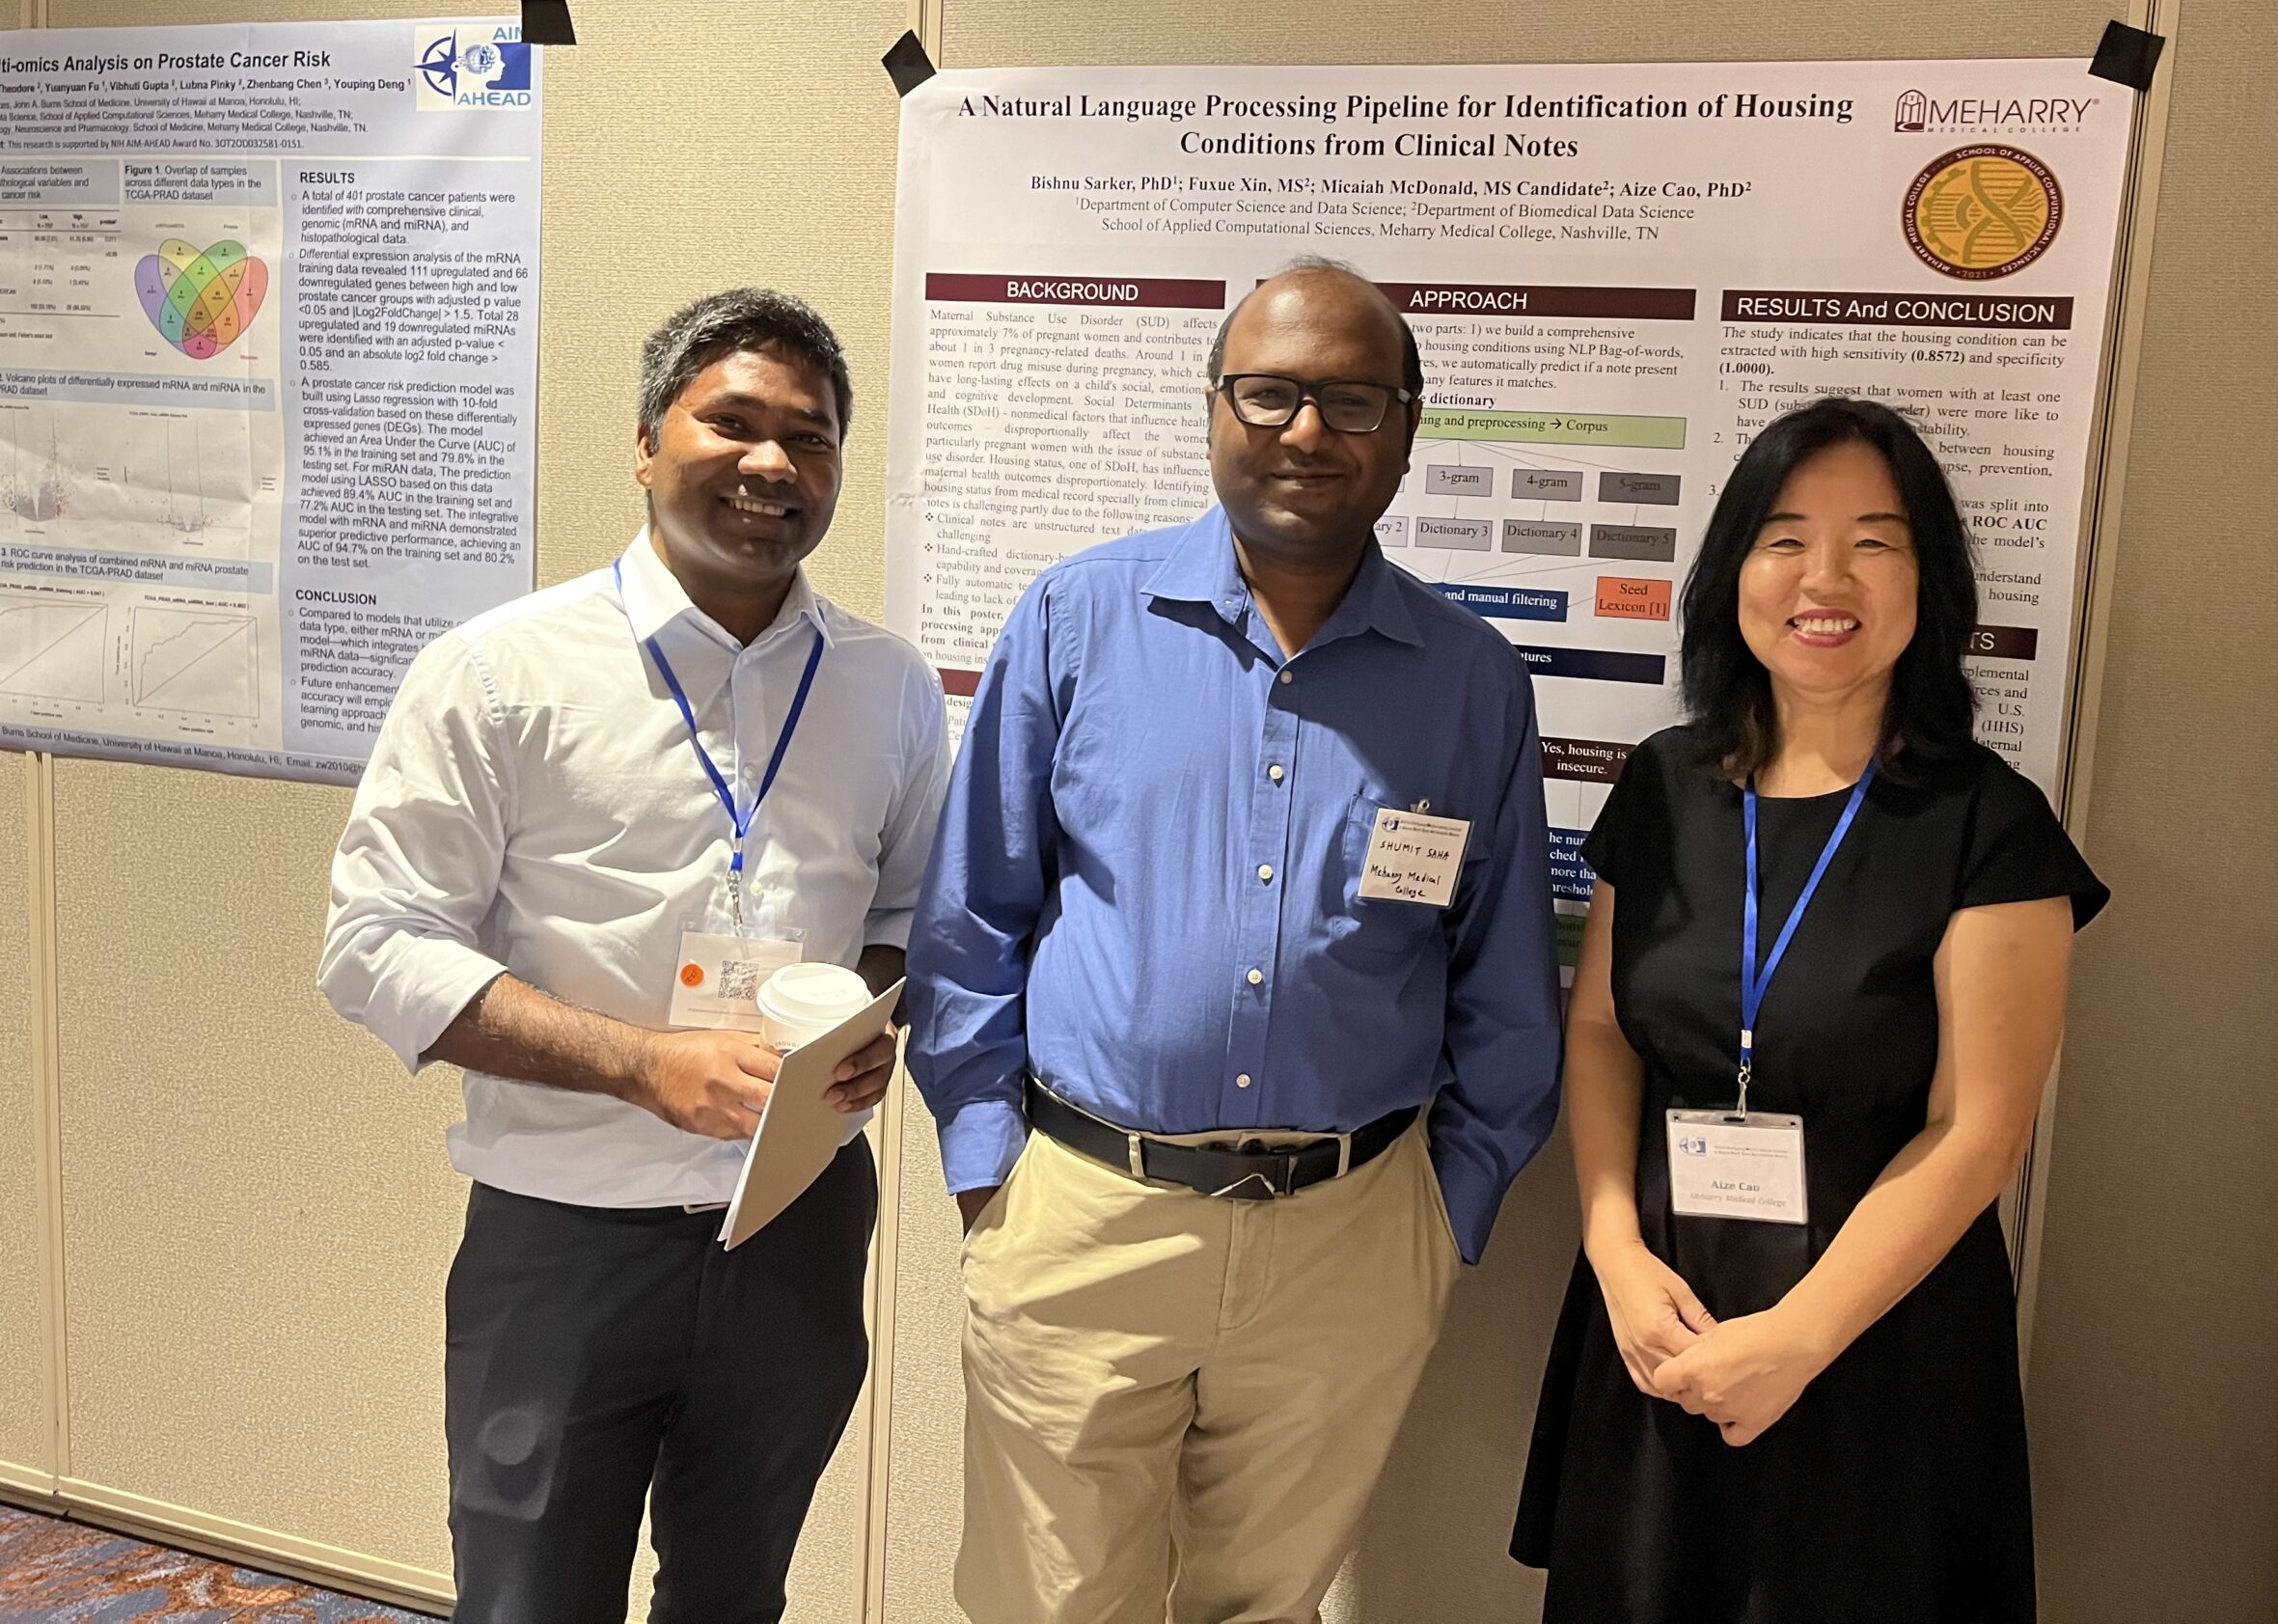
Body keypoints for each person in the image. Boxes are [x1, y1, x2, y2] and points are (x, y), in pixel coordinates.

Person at [906, 260, 1563, 1624]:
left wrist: (1449, 1214)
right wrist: (989, 1172)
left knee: (1260, 1606)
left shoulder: (1470, 678)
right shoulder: (1079, 619)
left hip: (1354, 1236)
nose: (1307, 432)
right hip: (1086, 1216)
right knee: (1050, 1605)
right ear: (1215, 409)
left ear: (1407, 425)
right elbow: (970, 919)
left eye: (1351, 400)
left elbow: (1504, 978)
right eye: (1268, 394)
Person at [318, 289, 949, 1624]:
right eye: (733, 422)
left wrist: (869, 1016)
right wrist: (643, 1067)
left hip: (796, 1230)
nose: (774, 463)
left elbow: (903, 907)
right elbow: (374, 946)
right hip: (564, 1242)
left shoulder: (887, 685)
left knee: (737, 1597)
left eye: (813, 438)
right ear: (648, 443)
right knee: (530, 1600)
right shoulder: (498, 672)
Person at [1512, 396, 2107, 1621]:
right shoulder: (1665, 784)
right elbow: (1602, 1030)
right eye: (1784, 538)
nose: (1823, 577)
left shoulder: (1988, 826)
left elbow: (1978, 1131)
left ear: (1926, 582)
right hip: (1660, 1314)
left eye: (1873, 542)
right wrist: (1613, 1248)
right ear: (1735, 568)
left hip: (1876, 1338)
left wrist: (1798, 1339)